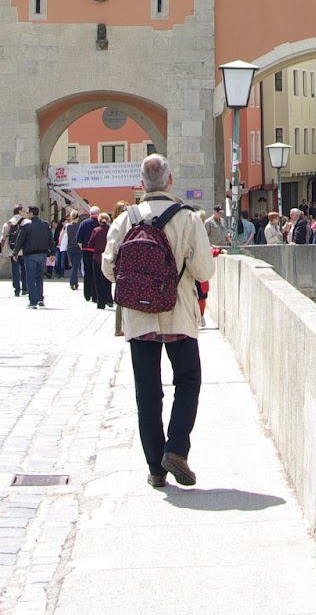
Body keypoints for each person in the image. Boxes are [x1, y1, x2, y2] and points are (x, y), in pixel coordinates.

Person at [102, 153, 215, 489]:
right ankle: (176, 449)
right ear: (170, 181)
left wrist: (138, 280)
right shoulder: (187, 218)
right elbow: (204, 271)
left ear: (141, 184)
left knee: (147, 392)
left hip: (139, 318)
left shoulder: (125, 220)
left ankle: (156, 468)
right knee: (188, 380)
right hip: (178, 313)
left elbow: (108, 268)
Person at [19, 205, 54, 306]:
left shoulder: (27, 225)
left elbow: (20, 239)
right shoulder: (45, 224)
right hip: (42, 253)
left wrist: (15, 252)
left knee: (30, 277)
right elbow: (50, 239)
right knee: (39, 276)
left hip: (30, 254)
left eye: (27, 212)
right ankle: (40, 298)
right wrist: (52, 252)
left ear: (31, 213)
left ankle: (33, 300)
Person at [76, 206, 100, 300]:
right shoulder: (100, 223)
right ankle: (95, 295)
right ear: (98, 213)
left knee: (87, 272)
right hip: (98, 252)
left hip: (86, 250)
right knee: (96, 273)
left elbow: (78, 239)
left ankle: (87, 294)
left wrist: (83, 248)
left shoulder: (84, 223)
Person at [2, 205, 26, 297]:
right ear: (19, 211)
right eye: (23, 211)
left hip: (12, 250)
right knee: (24, 269)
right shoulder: (25, 222)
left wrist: (1, 249)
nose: (24, 212)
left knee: (15, 269)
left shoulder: (8, 223)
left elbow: (3, 238)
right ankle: (25, 288)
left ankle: (17, 289)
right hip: (23, 249)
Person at [90, 213, 112, 309]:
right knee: (108, 279)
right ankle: (109, 299)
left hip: (98, 257)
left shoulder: (96, 230)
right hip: (109, 257)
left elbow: (90, 243)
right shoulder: (111, 230)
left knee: (99, 280)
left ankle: (101, 303)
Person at [65, 212, 83, 290]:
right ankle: (72, 282)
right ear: (78, 217)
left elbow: (65, 237)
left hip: (70, 247)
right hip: (78, 247)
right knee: (76, 266)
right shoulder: (80, 226)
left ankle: (75, 283)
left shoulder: (68, 226)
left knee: (74, 266)